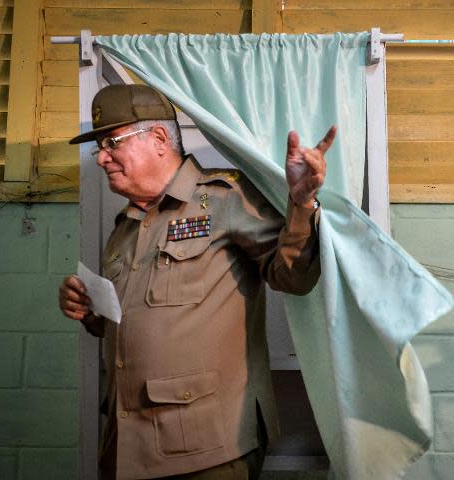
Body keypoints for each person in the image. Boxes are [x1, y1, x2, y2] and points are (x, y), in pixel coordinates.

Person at [58, 84, 334, 480]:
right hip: (127, 445)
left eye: (111, 142)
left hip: (207, 448)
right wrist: (87, 310)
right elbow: (124, 322)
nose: (101, 158)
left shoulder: (225, 198)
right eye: (100, 147)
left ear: (157, 139)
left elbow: (292, 277)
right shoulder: (125, 227)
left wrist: (303, 204)